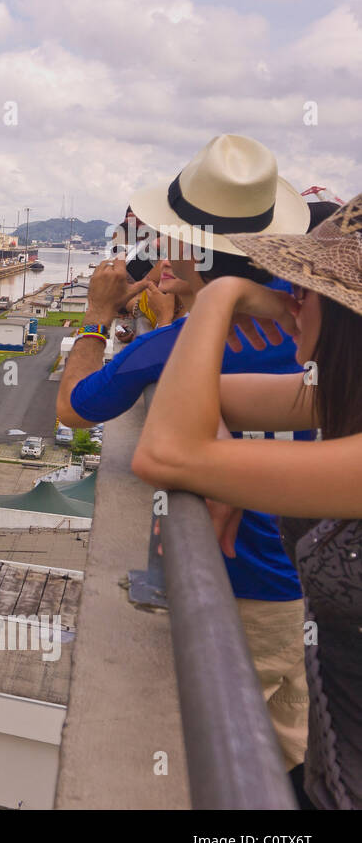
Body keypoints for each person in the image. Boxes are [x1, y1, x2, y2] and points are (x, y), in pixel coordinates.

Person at [55, 135, 315, 778]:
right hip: (314, 584)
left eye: (166, 238)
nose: (154, 250)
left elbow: (74, 408)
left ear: (193, 252)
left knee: (228, 767)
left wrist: (95, 317)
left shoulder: (173, 345)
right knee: (304, 753)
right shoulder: (308, 313)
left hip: (244, 592)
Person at [133, 191, 362, 809]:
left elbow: (164, 451)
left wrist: (222, 296)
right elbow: (210, 402)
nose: (290, 299)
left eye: (303, 288)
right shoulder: (336, 397)